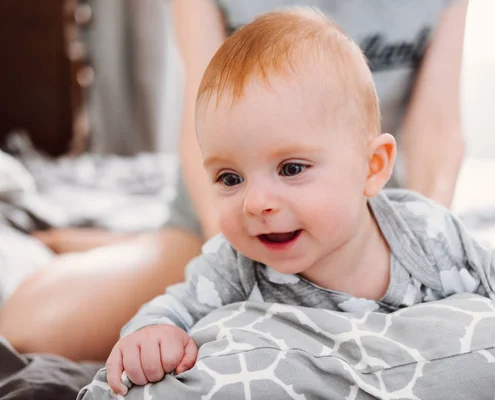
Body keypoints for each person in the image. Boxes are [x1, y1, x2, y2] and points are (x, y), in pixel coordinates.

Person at [103, 9, 495, 399]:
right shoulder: (233, 264)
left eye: (291, 169)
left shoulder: (423, 234)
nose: (256, 202)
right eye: (230, 177)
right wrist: (152, 331)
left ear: (373, 167)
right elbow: (174, 307)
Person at [0, 0, 466, 362]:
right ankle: (139, 245)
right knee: (26, 329)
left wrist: (408, 247)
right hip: (226, 222)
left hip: (358, 215)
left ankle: (121, 242)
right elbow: (201, 125)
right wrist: (246, 259)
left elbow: (437, 128)